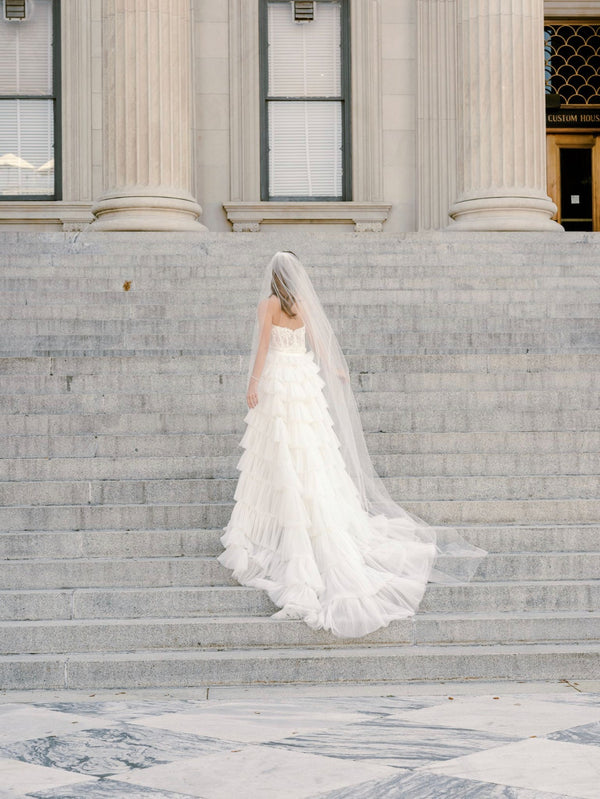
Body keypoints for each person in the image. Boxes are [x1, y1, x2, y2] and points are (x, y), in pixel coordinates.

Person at [218, 251, 485, 639]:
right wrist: (334, 367)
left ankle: (282, 521)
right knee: (309, 446)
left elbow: (262, 348)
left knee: (279, 447)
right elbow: (321, 344)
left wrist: (253, 383)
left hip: (280, 378)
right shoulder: (301, 305)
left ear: (272, 276)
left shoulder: (269, 304)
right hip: (303, 380)